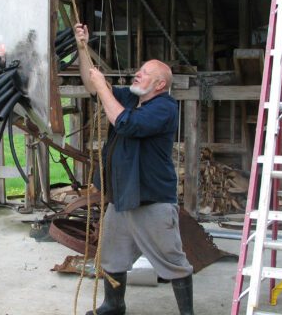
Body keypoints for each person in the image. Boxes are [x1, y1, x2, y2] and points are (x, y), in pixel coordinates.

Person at [73, 23, 194, 315]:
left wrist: (103, 87)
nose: (137, 74)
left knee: (172, 261)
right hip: (122, 196)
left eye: (145, 73)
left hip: (152, 198)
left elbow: (126, 124)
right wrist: (82, 47)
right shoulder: (132, 98)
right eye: (140, 70)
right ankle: (114, 306)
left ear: (159, 85)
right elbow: (92, 85)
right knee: (113, 257)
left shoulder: (165, 107)